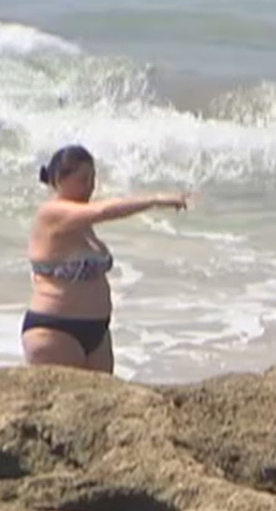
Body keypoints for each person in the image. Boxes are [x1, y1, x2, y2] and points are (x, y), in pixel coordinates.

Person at [22, 145, 192, 373]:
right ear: (59, 180)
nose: (91, 186)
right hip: (55, 330)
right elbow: (103, 211)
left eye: (93, 178)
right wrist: (156, 200)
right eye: (83, 179)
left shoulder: (80, 222)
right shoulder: (51, 213)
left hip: (97, 332)